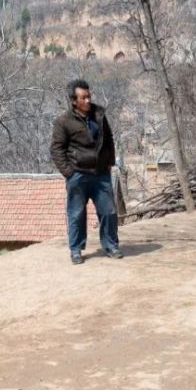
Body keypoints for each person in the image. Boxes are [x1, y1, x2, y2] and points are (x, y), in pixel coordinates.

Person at [50, 79, 121, 264]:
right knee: (76, 214)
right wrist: (68, 172)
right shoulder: (63, 121)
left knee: (108, 212)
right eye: (83, 97)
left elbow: (109, 139)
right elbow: (56, 149)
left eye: (89, 96)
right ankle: (76, 250)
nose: (88, 100)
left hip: (100, 173)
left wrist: (109, 162)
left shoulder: (99, 114)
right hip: (78, 174)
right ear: (74, 101)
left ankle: (111, 245)